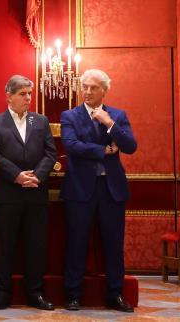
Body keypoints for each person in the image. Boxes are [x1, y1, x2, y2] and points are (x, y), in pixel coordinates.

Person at [61, 69, 137, 313]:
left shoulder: (117, 115)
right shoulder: (70, 116)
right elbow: (71, 145)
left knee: (113, 245)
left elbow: (130, 146)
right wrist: (102, 151)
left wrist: (108, 123)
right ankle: (73, 294)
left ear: (104, 90)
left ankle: (115, 294)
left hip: (111, 190)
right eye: (84, 87)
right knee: (77, 243)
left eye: (93, 87)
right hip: (80, 189)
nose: (88, 91)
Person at [0, 75, 56, 311]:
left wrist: (37, 175)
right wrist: (17, 175)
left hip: (36, 192)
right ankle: (2, 295)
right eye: (23, 94)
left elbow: (50, 153)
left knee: (36, 247)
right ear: (9, 96)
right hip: (8, 194)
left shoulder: (41, 121)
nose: (28, 98)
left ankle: (35, 294)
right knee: (6, 247)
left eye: (29, 94)